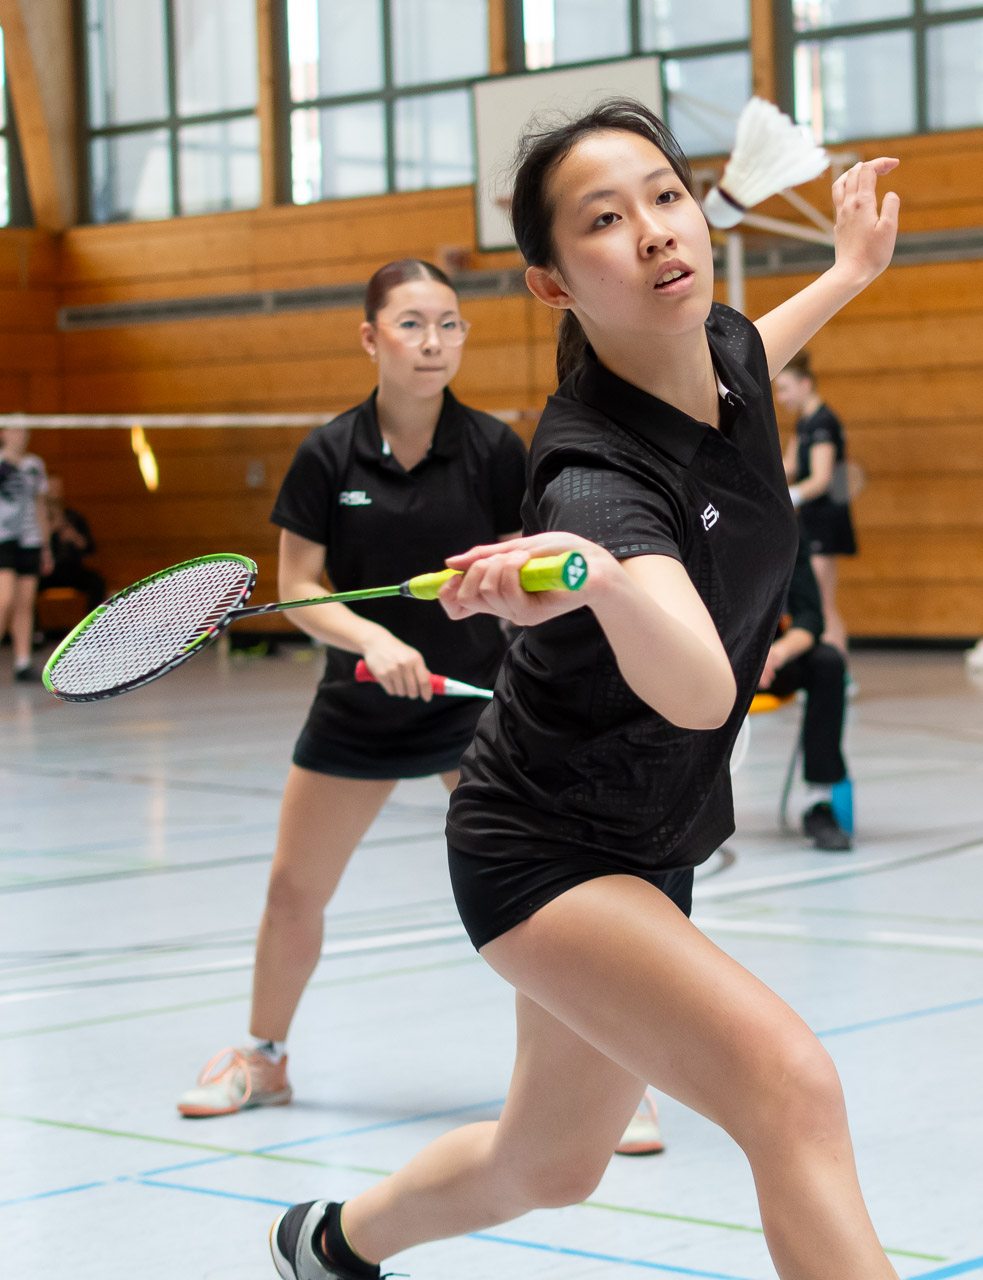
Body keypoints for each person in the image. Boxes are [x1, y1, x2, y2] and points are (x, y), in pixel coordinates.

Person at [267, 99, 902, 1280]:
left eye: (664, 196)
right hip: (546, 849)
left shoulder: (715, 351)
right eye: (604, 221)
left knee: (551, 1161)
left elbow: (748, 354)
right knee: (789, 1086)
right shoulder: (590, 479)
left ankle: (329, 1243)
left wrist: (845, 273)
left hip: (650, 832)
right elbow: (700, 690)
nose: (653, 229)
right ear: (550, 284)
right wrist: (605, 580)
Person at [177, 259, 528, 1118]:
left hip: (472, 701)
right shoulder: (328, 453)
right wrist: (372, 636)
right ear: (370, 338)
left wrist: (502, 595)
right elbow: (298, 584)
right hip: (358, 702)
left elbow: (526, 578)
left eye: (448, 324)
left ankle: (597, 1077)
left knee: (531, 893)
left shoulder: (493, 450)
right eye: (411, 325)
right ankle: (263, 1061)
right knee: (293, 891)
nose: (433, 342)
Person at [758, 534, 852, 851]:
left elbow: (811, 617)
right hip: (712, 656)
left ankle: (819, 802)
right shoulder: (706, 526)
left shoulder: (785, 532)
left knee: (828, 662)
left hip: (770, 662)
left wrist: (776, 654)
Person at [774, 349, 857, 657]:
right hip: (809, 521)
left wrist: (789, 496)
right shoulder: (805, 422)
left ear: (805, 384)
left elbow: (820, 480)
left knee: (822, 601)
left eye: (785, 389)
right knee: (820, 600)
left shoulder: (824, 422)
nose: (780, 398)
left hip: (825, 522)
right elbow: (790, 465)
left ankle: (837, 672)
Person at [0, 427, 53, 682]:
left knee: (25, 602)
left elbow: (40, 504)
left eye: (25, 431)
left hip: (29, 538)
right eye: (16, 431)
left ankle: (23, 662)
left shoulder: (35, 464)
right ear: (4, 433)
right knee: (4, 599)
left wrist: (46, 546)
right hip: (2, 538)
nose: (21, 436)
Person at [38, 476, 106, 613]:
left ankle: (93, 622)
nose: (54, 493)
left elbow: (90, 548)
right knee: (26, 584)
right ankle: (32, 625)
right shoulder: (37, 520)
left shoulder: (73, 517)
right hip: (46, 571)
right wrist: (49, 531)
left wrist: (74, 536)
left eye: (57, 489)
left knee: (97, 581)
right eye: (51, 489)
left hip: (72, 569)